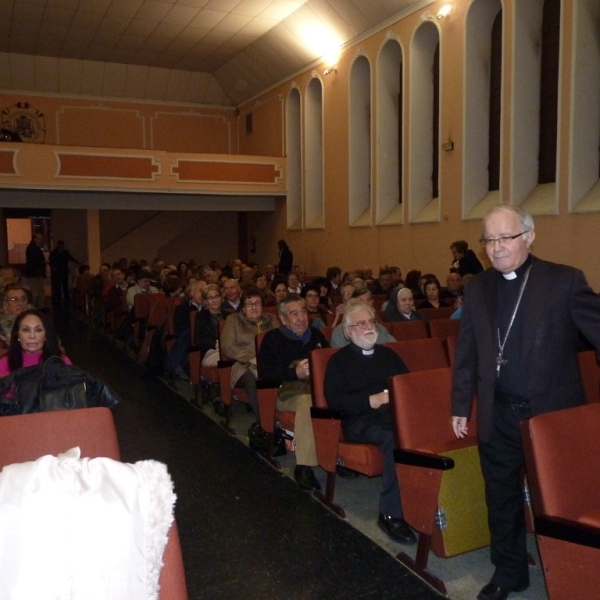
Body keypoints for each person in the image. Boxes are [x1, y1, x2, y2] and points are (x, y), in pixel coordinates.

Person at [451, 205, 600, 600]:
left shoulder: (563, 281)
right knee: (500, 498)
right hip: (498, 413)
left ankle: (576, 571)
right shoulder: (478, 287)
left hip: (550, 417)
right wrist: (459, 405)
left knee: (561, 498)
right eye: (490, 240)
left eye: (506, 238)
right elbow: (467, 352)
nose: (497, 248)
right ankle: (509, 571)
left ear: (529, 237)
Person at [324, 302, 416, 544]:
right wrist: (370, 401)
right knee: (394, 441)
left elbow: (408, 386)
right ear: (348, 331)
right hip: (360, 422)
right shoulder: (338, 362)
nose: (368, 327)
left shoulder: (389, 354)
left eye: (371, 322)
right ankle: (390, 513)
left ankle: (426, 507)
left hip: (393, 416)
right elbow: (335, 402)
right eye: (360, 323)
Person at [257, 294, 328, 491]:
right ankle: (304, 466)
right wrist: (293, 372)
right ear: (283, 318)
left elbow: (329, 362)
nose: (301, 318)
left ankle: (335, 457)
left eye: (303, 312)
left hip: (317, 390)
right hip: (286, 393)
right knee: (306, 403)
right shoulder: (273, 339)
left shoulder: (316, 335)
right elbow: (266, 374)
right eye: (294, 314)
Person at [220, 288, 278, 423]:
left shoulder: (271, 319)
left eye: (257, 303)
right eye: (249, 304)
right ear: (243, 307)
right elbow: (227, 346)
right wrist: (251, 357)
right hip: (242, 365)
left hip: (269, 363)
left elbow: (279, 342)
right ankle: (265, 423)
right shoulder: (233, 320)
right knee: (252, 381)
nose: (254, 307)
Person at [0, 309, 71, 377]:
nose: (32, 336)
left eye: (38, 330)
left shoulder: (61, 361)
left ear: (46, 334)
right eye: (26, 330)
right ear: (17, 335)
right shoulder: (5, 363)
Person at [331, 294, 395, 347]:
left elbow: (394, 347)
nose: (369, 327)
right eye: (362, 323)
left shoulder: (381, 329)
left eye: (371, 321)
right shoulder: (339, 332)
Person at [48, 241, 79, 308]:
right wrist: (53, 267)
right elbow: (50, 261)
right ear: (58, 245)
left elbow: (71, 258)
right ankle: (58, 299)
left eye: (62, 246)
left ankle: (66, 299)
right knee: (57, 286)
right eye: (60, 245)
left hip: (64, 271)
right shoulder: (54, 253)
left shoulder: (65, 252)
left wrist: (77, 262)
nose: (61, 247)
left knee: (65, 285)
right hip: (57, 272)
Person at [25, 232, 46, 309]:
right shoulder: (32, 248)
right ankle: (33, 308)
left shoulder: (34, 247)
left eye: (41, 238)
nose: (41, 240)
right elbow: (34, 262)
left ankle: (40, 307)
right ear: (35, 239)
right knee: (35, 292)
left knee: (39, 291)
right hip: (35, 274)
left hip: (37, 273)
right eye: (39, 238)